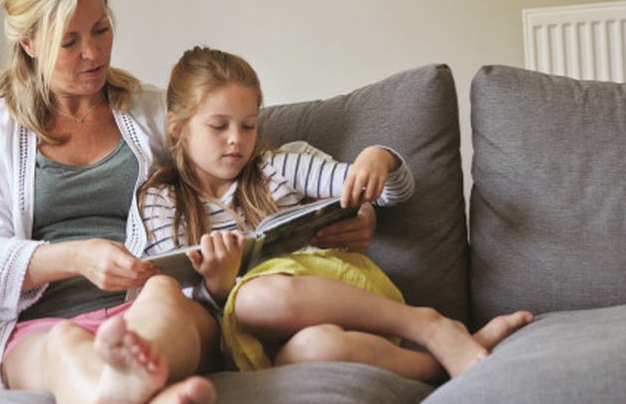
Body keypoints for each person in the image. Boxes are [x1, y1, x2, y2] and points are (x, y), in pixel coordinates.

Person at [0, 0, 377, 404]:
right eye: (69, 41)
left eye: (101, 29)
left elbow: (244, 168)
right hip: (41, 324)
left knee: (163, 293)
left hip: (148, 310)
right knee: (63, 344)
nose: (93, 52)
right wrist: (78, 256)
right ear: (30, 44)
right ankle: (134, 393)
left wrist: (350, 211)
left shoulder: (149, 112)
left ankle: (128, 383)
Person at [138, 46, 534, 383]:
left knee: (254, 298)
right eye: (218, 126)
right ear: (176, 127)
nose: (236, 140)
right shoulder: (160, 201)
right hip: (249, 346)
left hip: (327, 296)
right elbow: (175, 304)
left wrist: (380, 159)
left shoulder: (279, 166)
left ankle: (426, 324)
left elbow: (391, 193)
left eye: (248, 126)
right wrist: (218, 286)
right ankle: (448, 359)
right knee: (314, 347)